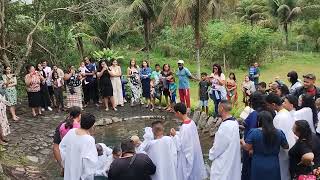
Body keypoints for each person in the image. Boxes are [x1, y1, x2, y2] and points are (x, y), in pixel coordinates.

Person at [241, 111, 289, 180]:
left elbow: (247, 148)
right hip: (273, 163)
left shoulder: (253, 132)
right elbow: (286, 146)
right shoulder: (279, 133)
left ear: (259, 121)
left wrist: (242, 142)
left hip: (258, 163)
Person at [170, 103, 207, 180]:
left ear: (179, 113)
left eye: (175, 113)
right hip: (194, 152)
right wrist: (177, 133)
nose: (175, 115)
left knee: (185, 175)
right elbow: (189, 137)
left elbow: (180, 146)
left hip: (186, 156)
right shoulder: (192, 122)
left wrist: (174, 135)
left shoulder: (184, 127)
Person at [241, 92, 272, 180]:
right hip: (262, 144)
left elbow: (251, 128)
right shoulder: (266, 111)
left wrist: (250, 147)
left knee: (248, 168)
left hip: (250, 145)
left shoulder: (253, 113)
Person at [266, 93, 296, 180]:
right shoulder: (286, 112)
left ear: (273, 105)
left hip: (283, 150)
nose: (268, 108)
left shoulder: (279, 117)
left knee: (283, 172)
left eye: (268, 105)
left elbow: (277, 137)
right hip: (289, 147)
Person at [59, 113, 97, 180]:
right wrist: (86, 176)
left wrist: (65, 163)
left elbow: (62, 147)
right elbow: (90, 161)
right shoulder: (89, 140)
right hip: (80, 173)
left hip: (69, 168)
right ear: (92, 126)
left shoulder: (71, 132)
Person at [209, 100, 241, 180]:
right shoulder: (234, 122)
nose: (217, 109)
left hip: (223, 162)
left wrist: (211, 153)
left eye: (218, 107)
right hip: (232, 158)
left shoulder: (226, 126)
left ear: (222, 108)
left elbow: (218, 147)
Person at [52, 106, 82, 176]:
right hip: (77, 158)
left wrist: (62, 166)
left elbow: (55, 148)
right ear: (79, 115)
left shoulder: (61, 126)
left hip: (65, 156)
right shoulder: (79, 127)